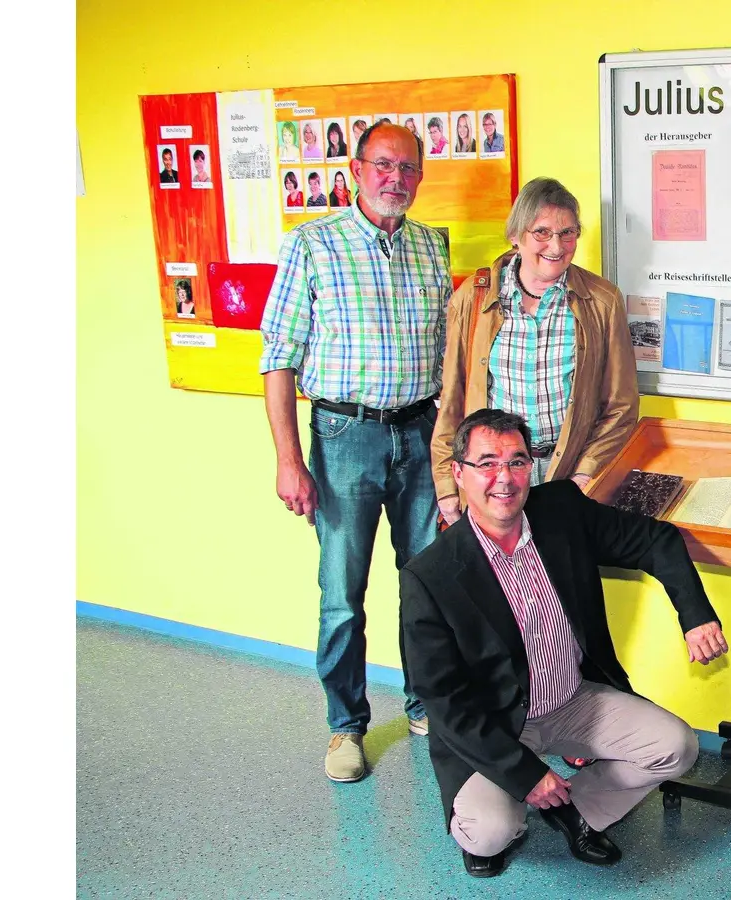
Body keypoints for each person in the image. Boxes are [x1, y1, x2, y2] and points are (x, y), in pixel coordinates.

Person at [401, 408, 729, 877]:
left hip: (571, 698)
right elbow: (444, 701)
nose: (504, 478)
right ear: (458, 473)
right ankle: (511, 811)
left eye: (517, 462)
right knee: (490, 832)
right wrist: (525, 774)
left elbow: (655, 540)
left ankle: (574, 811)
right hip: (495, 725)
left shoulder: (558, 509)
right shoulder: (429, 576)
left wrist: (695, 617)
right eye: (487, 463)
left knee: (675, 746)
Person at [259, 123, 451, 784]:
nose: (396, 178)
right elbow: (277, 360)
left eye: (408, 168)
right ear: (355, 168)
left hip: (422, 434)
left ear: (420, 176)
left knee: (428, 582)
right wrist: (289, 460)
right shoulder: (312, 245)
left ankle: (427, 704)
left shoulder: (432, 247)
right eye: (383, 165)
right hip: (345, 437)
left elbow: (447, 355)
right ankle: (346, 727)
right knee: (343, 592)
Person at [431, 176, 639, 520]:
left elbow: (621, 405)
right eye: (541, 232)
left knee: (564, 574)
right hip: (493, 481)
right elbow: (452, 401)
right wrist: (446, 486)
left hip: (566, 478)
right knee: (497, 575)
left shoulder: (603, 302)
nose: (556, 247)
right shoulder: (474, 296)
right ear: (515, 236)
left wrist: (583, 476)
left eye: (568, 232)